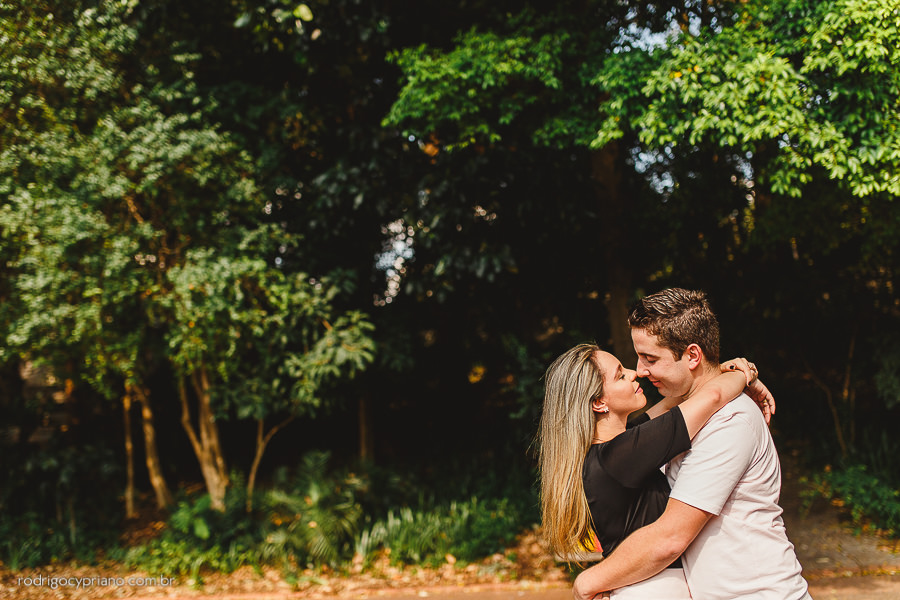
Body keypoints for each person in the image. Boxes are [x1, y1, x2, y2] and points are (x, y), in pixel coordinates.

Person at [573, 288, 810, 600]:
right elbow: (698, 398)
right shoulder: (661, 429)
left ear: (693, 356)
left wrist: (587, 583)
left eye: (650, 358)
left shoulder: (729, 420)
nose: (640, 371)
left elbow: (670, 538)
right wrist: (741, 372)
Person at [538, 342, 768, 599]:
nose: (633, 373)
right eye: (620, 375)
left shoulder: (610, 453)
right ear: (599, 402)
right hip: (651, 589)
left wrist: (715, 373)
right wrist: (743, 373)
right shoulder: (622, 455)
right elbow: (712, 398)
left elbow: (674, 403)